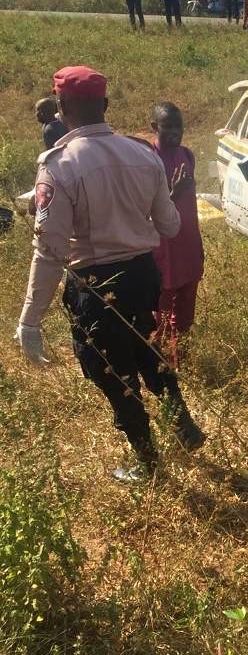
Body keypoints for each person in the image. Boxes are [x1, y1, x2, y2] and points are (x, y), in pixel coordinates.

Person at [15, 66, 204, 479]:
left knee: (112, 371)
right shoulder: (142, 154)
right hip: (142, 275)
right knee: (145, 351)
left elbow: (48, 250)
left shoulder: (58, 168)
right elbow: (170, 225)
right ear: (105, 106)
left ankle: (146, 459)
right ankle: (182, 424)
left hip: (96, 285)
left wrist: (30, 320)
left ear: (62, 108)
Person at [149, 102, 204, 366]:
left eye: (178, 126)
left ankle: (182, 363)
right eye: (167, 126)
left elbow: (191, 210)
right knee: (160, 315)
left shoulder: (187, 156)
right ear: (154, 128)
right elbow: (146, 212)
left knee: (185, 317)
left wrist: (199, 248)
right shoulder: (148, 161)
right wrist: (173, 193)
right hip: (160, 251)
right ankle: (160, 366)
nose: (174, 131)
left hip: (188, 249)